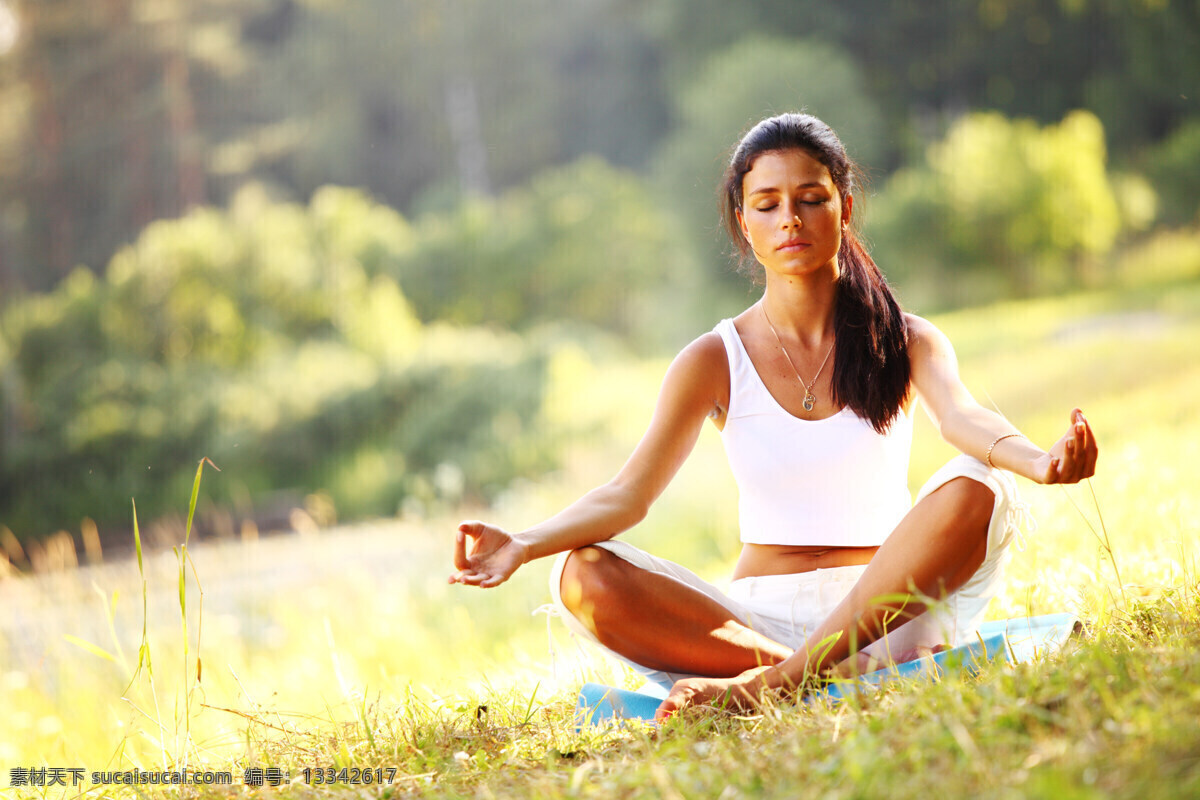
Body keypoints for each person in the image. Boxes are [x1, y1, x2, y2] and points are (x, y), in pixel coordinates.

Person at [448, 112, 1098, 720]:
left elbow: (962, 418)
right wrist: (526, 545)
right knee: (584, 573)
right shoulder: (713, 359)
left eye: (811, 198)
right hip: (755, 625)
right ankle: (813, 672)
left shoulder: (906, 338)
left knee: (981, 483)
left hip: (888, 616)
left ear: (844, 207)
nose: (791, 218)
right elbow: (626, 495)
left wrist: (1038, 462)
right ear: (744, 222)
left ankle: (779, 685)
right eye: (768, 205)